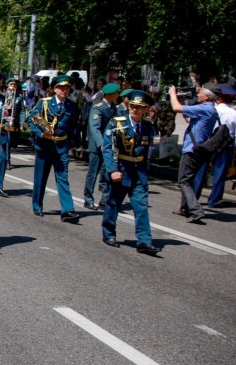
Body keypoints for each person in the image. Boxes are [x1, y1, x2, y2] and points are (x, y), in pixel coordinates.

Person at [100, 90, 160, 254]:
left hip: (138, 172)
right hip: (122, 169)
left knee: (141, 206)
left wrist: (145, 170)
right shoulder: (117, 123)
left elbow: (147, 150)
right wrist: (113, 170)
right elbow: (109, 148)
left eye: (139, 107)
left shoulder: (147, 126)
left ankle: (144, 241)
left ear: (146, 109)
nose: (135, 110)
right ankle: (108, 233)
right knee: (114, 203)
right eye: (133, 106)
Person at [27, 75, 81, 221]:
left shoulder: (72, 106)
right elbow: (31, 119)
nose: (64, 90)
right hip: (45, 145)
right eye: (62, 88)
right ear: (55, 89)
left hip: (61, 147)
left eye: (67, 88)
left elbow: (72, 127)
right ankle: (37, 205)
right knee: (41, 177)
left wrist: (70, 142)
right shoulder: (44, 103)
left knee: (63, 177)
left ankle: (67, 210)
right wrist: (41, 133)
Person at [169, 84, 218, 223]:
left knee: (183, 181)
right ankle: (185, 208)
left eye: (201, 92)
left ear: (207, 96)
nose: (198, 94)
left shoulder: (205, 108)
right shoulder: (210, 110)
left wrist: (173, 94)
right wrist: (185, 103)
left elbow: (176, 108)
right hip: (198, 150)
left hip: (191, 150)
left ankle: (196, 210)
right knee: (188, 180)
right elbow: (189, 119)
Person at [194, 84, 236, 207]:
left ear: (217, 98)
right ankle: (214, 201)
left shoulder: (212, 110)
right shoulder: (233, 113)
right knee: (220, 173)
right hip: (225, 145)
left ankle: (194, 197)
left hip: (209, 142)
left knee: (201, 170)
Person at [83, 83, 121, 210]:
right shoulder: (98, 108)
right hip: (97, 146)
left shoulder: (115, 108)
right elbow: (95, 128)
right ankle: (88, 199)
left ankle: (104, 201)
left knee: (107, 173)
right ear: (110, 94)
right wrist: (101, 144)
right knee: (93, 173)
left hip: (109, 146)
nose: (118, 95)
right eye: (116, 93)